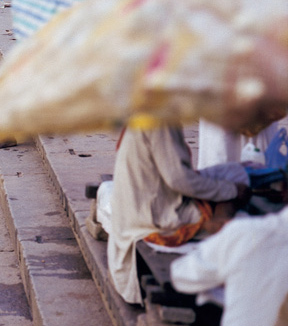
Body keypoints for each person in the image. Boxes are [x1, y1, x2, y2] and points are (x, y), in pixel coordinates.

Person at [107, 125, 250, 305]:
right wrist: (230, 191)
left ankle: (218, 215)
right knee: (242, 213)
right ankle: (216, 222)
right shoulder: (161, 123)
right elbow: (179, 180)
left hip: (148, 203)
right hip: (154, 218)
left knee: (233, 171)